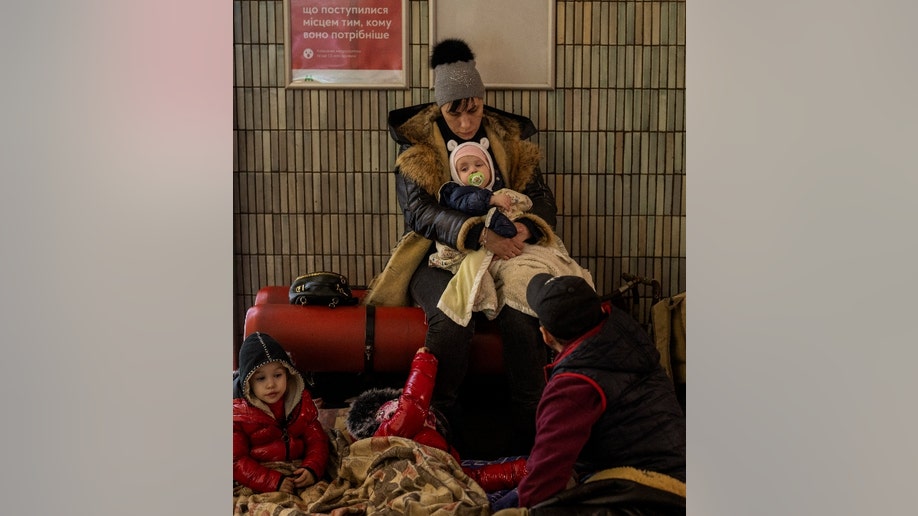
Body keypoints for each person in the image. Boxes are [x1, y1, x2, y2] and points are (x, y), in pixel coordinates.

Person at [364, 37, 559, 456]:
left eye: (474, 108)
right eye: (456, 111)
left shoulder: (508, 141)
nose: (467, 122)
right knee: (451, 321)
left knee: (522, 319)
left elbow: (542, 198)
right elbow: (419, 213)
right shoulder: (417, 148)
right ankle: (439, 430)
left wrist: (525, 228)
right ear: (440, 107)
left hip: (504, 253)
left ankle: (530, 436)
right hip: (435, 256)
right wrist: (476, 233)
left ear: (482, 102)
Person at [499, 274, 686, 509]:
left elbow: (541, 483)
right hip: (680, 474)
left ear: (546, 336)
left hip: (648, 497)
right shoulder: (621, 329)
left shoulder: (573, 385)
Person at [345, 347, 527, 493]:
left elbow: (470, 478)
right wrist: (423, 363)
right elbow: (412, 406)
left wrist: (525, 470)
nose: (427, 414)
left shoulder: (441, 447)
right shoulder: (388, 435)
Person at [233, 332, 330, 494]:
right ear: (247, 382)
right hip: (260, 477)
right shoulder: (238, 416)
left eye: (277, 375)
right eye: (261, 378)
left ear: (288, 374)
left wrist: (313, 467)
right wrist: (273, 481)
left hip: (299, 470)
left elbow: (317, 440)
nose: (271, 384)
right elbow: (235, 461)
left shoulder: (300, 403)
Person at [429, 138, 530, 273]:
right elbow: (469, 204)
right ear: (457, 176)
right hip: (468, 241)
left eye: (478, 165)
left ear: (490, 170)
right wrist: (491, 199)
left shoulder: (495, 191)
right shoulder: (458, 193)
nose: (473, 170)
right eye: (464, 169)